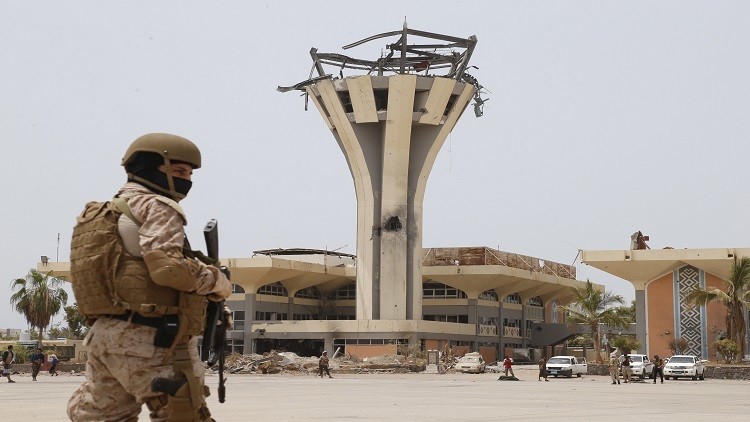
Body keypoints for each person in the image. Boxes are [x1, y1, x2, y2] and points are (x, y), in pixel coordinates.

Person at [67, 133, 232, 422]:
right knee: (183, 415)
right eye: (179, 171)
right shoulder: (157, 206)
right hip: (151, 339)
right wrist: (217, 281)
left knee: (103, 418)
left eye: (190, 174)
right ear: (150, 168)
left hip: (104, 336)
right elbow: (169, 269)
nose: (186, 180)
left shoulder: (98, 214)